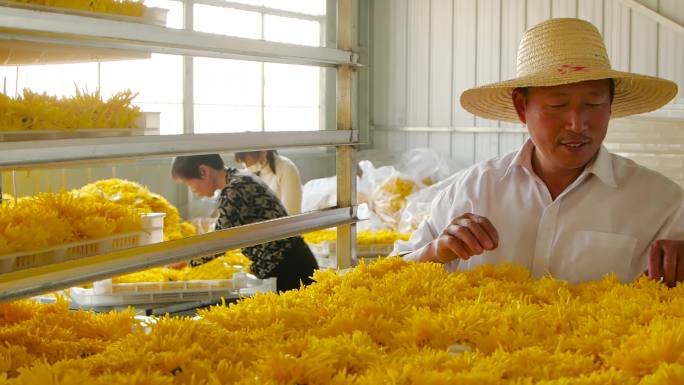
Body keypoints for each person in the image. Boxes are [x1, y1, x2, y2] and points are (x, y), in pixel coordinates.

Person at [394, 18, 684, 287]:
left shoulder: (662, 204)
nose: (577, 124)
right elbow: (389, 276)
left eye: (594, 104)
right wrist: (434, 252)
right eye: (558, 106)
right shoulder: (473, 191)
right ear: (522, 107)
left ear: (610, 104)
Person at [171, 154, 318, 292]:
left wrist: (183, 260)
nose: (193, 190)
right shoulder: (239, 178)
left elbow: (217, 243)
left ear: (204, 171)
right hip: (289, 262)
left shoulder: (235, 189)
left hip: (288, 268)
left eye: (189, 184)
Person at [234, 150, 303, 215]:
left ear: (264, 152)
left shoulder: (286, 168)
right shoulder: (249, 173)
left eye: (248, 159)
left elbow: (291, 214)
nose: (247, 165)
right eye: (243, 161)